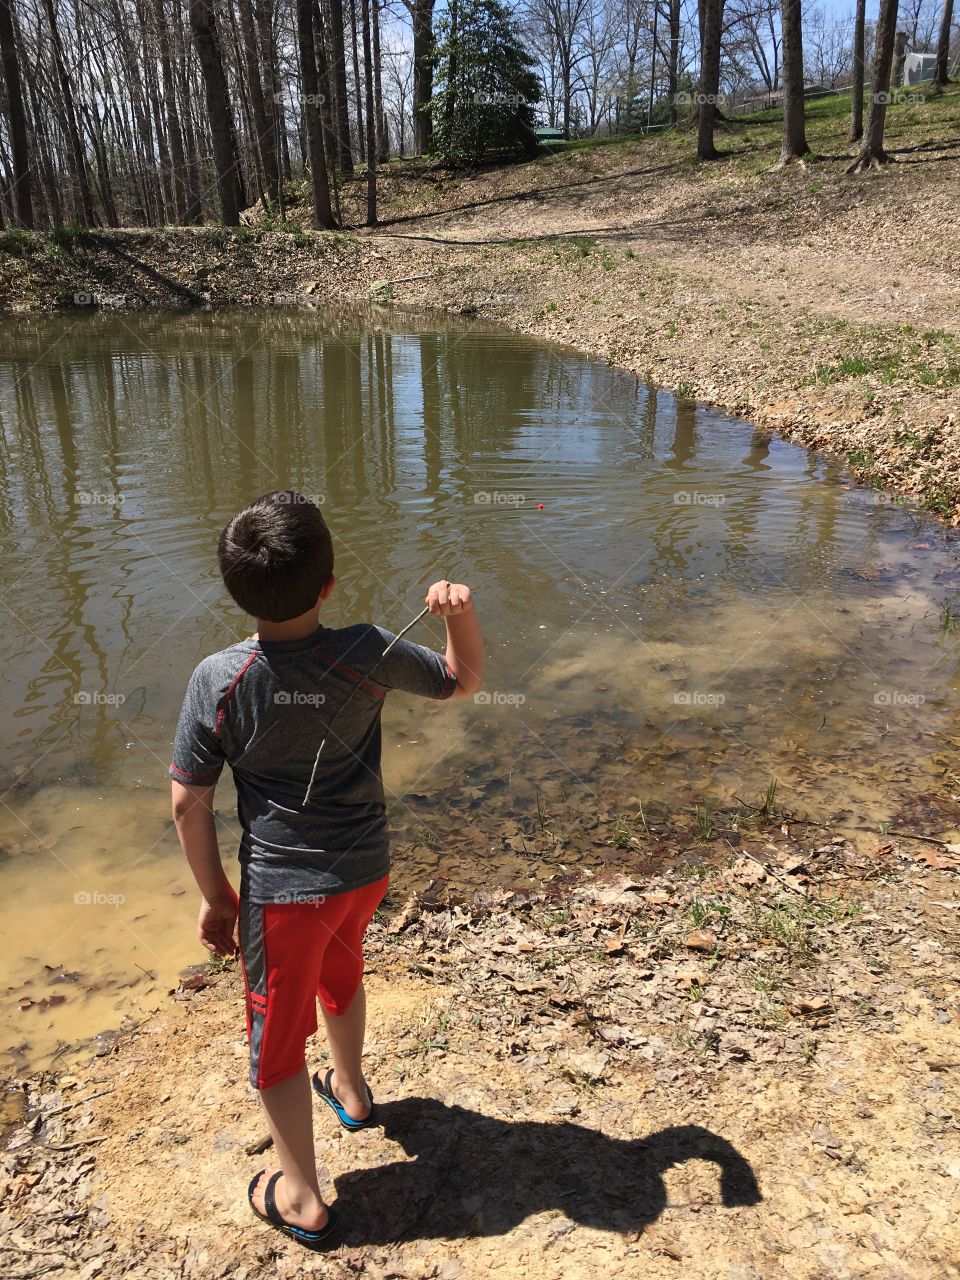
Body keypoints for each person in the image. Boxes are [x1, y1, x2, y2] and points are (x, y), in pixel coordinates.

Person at [169, 490, 483, 1251]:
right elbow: (460, 680)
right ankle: (351, 1089)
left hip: (281, 895)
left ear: (233, 587)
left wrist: (217, 899)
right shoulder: (368, 649)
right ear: (328, 586)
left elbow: (189, 804)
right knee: (343, 973)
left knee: (275, 1041)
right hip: (364, 871)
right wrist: (457, 613)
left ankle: (302, 1196)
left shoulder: (220, 679)